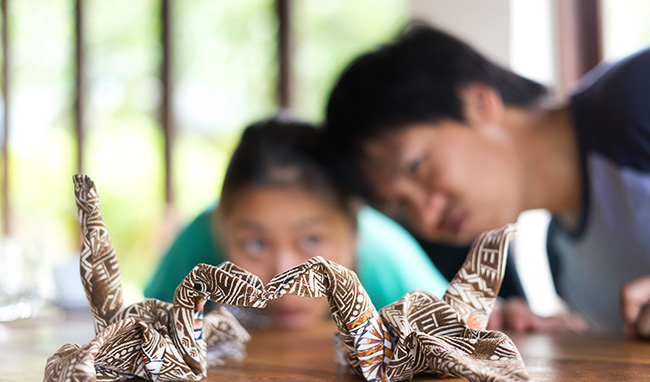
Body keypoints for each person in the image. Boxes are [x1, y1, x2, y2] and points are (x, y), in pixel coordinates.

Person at [324, 24, 650, 338]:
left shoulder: (634, 98)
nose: (426, 216)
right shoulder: (564, 261)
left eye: (415, 167)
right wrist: (560, 341)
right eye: (400, 204)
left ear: (478, 103)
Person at [145, 117, 448, 329]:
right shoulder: (199, 242)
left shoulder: (386, 261)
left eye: (312, 240)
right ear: (221, 229)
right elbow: (150, 328)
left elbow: (461, 329)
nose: (285, 278)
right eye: (256, 244)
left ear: (354, 232)